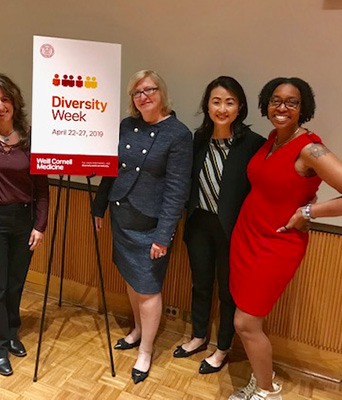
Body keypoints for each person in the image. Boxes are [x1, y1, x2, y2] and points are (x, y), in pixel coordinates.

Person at [228, 77, 342, 400]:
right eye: (276, 100)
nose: (282, 107)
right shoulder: (272, 140)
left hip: (276, 245)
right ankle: (262, 378)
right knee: (247, 318)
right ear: (266, 103)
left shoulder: (309, 149)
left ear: (302, 108)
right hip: (248, 238)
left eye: (291, 102)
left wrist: (308, 214)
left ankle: (267, 392)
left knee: (246, 324)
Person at [92, 70, 193, 384]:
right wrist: (99, 207)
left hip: (152, 225)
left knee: (148, 288)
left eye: (150, 90)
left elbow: (177, 189)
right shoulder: (126, 126)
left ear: (161, 92)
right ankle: (136, 331)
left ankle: (146, 351)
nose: (144, 96)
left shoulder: (178, 134)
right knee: (132, 279)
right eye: (137, 92)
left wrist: (164, 234)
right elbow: (111, 168)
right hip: (122, 214)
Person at [173, 77, 265, 374]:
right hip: (199, 223)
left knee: (228, 292)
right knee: (200, 283)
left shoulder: (254, 144)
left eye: (229, 102)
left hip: (233, 231)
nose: (222, 108)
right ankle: (199, 336)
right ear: (207, 105)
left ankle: (223, 347)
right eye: (216, 101)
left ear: (240, 107)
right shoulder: (198, 139)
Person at [0, 73, 49, 377]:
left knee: (16, 282)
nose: (0, 105)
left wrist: (40, 225)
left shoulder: (32, 138)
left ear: (14, 100)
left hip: (24, 220)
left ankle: (11, 332)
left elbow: (42, 188)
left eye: (4, 99)